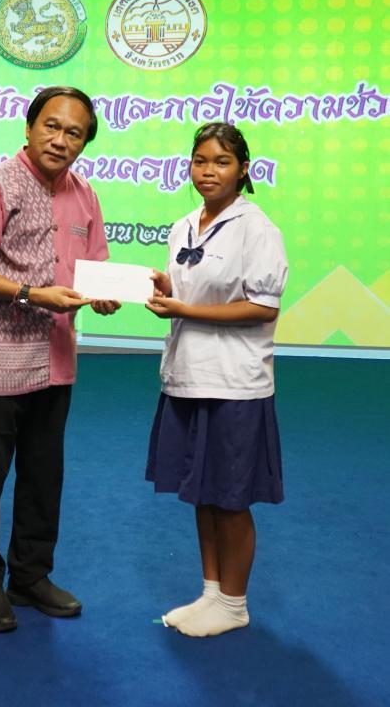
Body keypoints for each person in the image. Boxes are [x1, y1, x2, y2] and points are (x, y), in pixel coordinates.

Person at [0, 86, 119, 633]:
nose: (60, 140)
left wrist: (107, 294)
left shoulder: (85, 194)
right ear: (28, 127)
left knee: (44, 475)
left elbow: (95, 268)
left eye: (74, 133)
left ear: (84, 142)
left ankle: (30, 575)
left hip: (56, 357)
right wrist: (29, 293)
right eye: (51, 126)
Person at [145, 122, 288, 638]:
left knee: (230, 498)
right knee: (202, 492)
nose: (208, 171)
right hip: (188, 375)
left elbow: (261, 307)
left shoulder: (258, 228)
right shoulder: (185, 224)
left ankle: (234, 603)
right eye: (200, 161)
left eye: (222, 162)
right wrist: (167, 288)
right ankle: (211, 593)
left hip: (234, 384)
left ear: (243, 169)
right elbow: (192, 292)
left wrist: (183, 307)